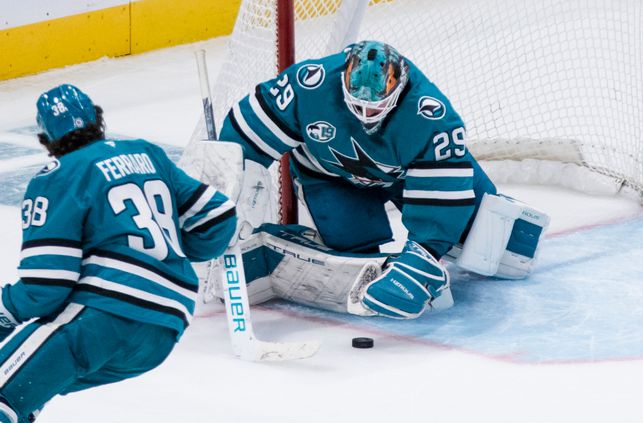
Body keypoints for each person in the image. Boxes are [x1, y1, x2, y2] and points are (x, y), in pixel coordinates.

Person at [0, 84, 236, 423]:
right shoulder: (145, 152)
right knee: (34, 386)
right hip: (164, 332)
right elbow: (217, 215)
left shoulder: (58, 178)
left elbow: (47, 287)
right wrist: (185, 250)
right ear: (99, 119)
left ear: (45, 139)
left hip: (104, 316)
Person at [207, 40, 548, 319]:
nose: (366, 116)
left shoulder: (429, 113)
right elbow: (246, 135)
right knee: (354, 251)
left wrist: (425, 256)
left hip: (405, 176)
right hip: (331, 178)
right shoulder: (309, 84)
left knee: (506, 250)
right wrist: (231, 191)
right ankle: (287, 240)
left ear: (399, 89)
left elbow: (443, 193)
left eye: (375, 109)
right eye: (358, 107)